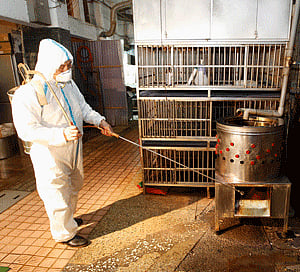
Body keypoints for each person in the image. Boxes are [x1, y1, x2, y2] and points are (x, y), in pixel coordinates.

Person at [12, 39, 114, 247]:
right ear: (49, 64)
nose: (67, 70)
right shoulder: (28, 93)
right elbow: (26, 130)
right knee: (56, 192)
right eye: (62, 66)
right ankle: (64, 234)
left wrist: (100, 121)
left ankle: (68, 218)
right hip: (49, 152)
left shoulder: (68, 85)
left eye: (69, 66)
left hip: (73, 148)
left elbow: (83, 108)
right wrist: (61, 135)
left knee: (74, 185)